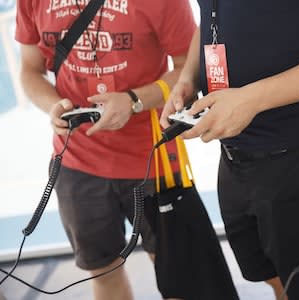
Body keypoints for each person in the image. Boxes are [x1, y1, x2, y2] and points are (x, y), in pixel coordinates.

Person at [160, 0, 299, 299]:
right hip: (235, 153)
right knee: (278, 279)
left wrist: (251, 99)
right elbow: (213, 16)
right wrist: (189, 76)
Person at [15, 1, 196, 299]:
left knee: (178, 276)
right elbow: (29, 71)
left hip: (152, 158)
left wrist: (134, 100)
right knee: (103, 273)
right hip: (75, 160)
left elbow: (188, 68)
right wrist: (53, 107)